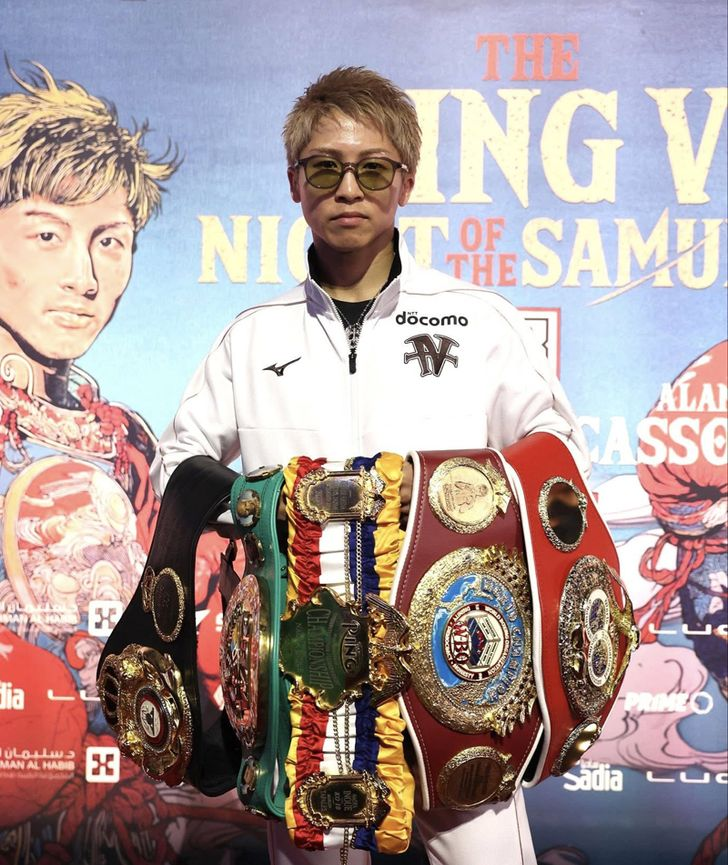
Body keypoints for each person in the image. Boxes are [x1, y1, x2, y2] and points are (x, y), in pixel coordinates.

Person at [151, 66, 590, 865]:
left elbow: (557, 461)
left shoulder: (478, 321)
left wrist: (453, 498)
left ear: (405, 182)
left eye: (372, 169)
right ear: (295, 182)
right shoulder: (253, 336)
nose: (348, 188)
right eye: (324, 168)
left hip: (459, 669)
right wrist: (259, 503)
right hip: (305, 678)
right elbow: (178, 467)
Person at [0, 63, 249, 865]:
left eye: (109, 241)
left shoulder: (126, 440)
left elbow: (168, 625)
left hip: (125, 815)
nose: (85, 277)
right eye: (47, 234)